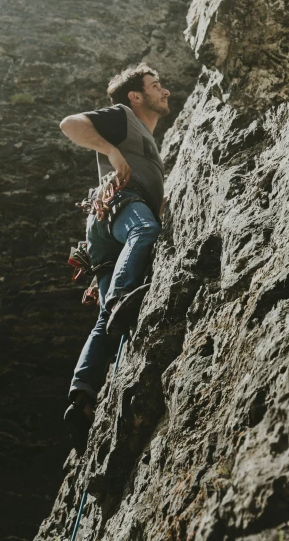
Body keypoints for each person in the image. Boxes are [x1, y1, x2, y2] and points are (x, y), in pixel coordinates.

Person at [59, 63, 170, 452]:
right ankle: (124, 296)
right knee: (147, 232)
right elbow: (70, 124)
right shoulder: (122, 117)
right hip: (122, 208)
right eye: (156, 86)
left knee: (105, 318)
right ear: (136, 95)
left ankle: (82, 398)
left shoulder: (146, 139)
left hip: (105, 236)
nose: (166, 91)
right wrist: (110, 152)